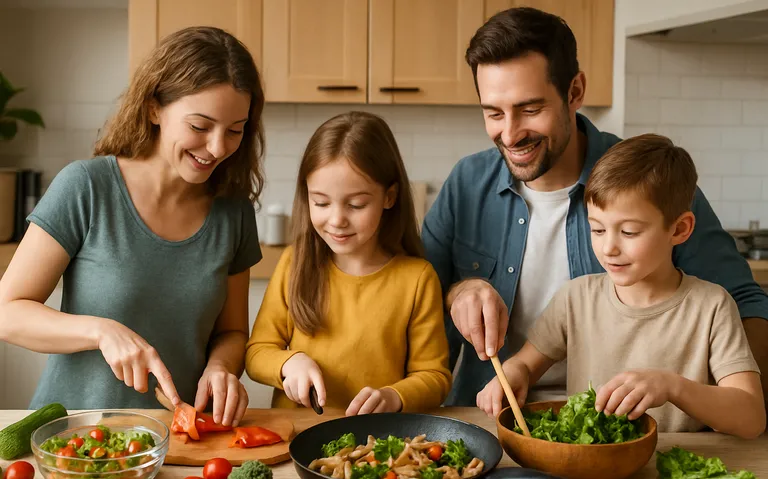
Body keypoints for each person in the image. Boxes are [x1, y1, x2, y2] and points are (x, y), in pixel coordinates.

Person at [422, 6, 768, 410]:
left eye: (531, 109)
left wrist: (736, 408)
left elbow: (745, 301)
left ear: (575, 92)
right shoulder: (466, 183)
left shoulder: (644, 178)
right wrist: (459, 291)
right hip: (491, 416)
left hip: (620, 431)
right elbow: (412, 294)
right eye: (494, 113)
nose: (511, 133)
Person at [0, 26, 264, 427]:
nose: (216, 148)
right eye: (199, 126)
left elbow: (231, 332)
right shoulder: (87, 187)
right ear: (154, 107)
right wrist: (101, 332)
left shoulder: (234, 214)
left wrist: (221, 368)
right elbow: (7, 313)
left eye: (234, 130)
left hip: (174, 442)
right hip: (71, 437)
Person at [476, 134, 766, 438]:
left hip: (674, 471)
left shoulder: (712, 307)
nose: (609, 248)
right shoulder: (576, 298)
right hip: (593, 469)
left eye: (629, 232)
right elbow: (525, 365)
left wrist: (672, 387)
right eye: (597, 229)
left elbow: (751, 418)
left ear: (680, 229)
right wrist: (511, 374)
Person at [245, 111, 452, 415]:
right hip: (297, 434)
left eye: (356, 204)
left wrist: (395, 396)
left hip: (374, 441)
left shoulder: (417, 278)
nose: (337, 219)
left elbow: (435, 377)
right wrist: (289, 363)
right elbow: (256, 354)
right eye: (321, 202)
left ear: (389, 197)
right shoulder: (294, 263)